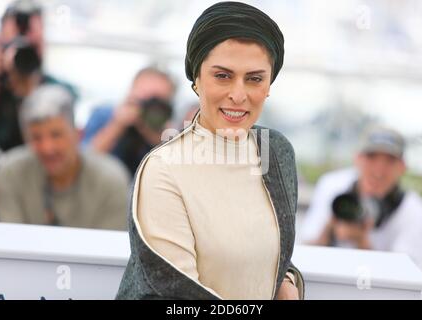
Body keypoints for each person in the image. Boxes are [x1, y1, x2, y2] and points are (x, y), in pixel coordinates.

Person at [117, 2, 304, 300]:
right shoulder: (164, 169)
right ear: (196, 79)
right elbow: (176, 296)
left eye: (254, 78)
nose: (238, 95)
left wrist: (288, 283)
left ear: (269, 84)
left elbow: (268, 253)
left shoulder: (276, 152)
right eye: (223, 76)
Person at [0, 85, 129, 230]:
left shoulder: (111, 181)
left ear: (77, 134)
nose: (47, 148)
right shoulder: (10, 174)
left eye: (56, 135)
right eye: (36, 137)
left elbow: (109, 247)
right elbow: (11, 242)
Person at [301, 126, 422, 263]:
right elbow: (304, 252)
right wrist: (330, 227)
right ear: (357, 159)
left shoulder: (413, 210)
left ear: (403, 167)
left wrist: (361, 241)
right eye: (371, 157)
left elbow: (403, 274)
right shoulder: (331, 186)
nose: (379, 170)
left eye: (390, 161)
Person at [0, 0, 76, 152]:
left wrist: (31, 92)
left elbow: (53, 152)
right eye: (14, 44)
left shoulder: (60, 91)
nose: (22, 56)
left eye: (32, 47)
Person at [82, 67, 175, 176]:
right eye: (145, 96)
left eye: (158, 100)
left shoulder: (169, 132)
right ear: (131, 92)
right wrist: (117, 125)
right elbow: (84, 160)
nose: (150, 105)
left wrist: (158, 136)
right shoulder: (105, 114)